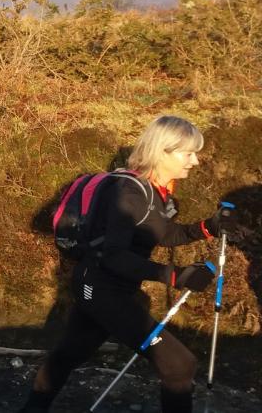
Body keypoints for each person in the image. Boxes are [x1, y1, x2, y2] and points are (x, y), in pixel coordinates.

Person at [19, 116, 237, 413]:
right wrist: (173, 275)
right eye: (188, 153)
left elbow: (164, 234)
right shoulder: (129, 192)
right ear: (163, 151)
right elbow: (114, 255)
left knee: (70, 353)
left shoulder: (152, 190)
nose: (195, 161)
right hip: (100, 287)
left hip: (105, 286)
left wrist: (207, 227)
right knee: (179, 365)